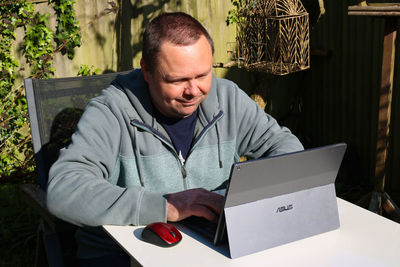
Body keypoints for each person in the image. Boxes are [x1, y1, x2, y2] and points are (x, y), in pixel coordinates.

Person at [46, 12, 303, 266]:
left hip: (210, 245)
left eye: (203, 75)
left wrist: (240, 195)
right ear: (147, 70)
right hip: (124, 254)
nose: (193, 91)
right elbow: (64, 189)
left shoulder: (228, 98)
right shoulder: (111, 111)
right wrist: (165, 206)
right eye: (178, 80)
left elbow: (286, 148)